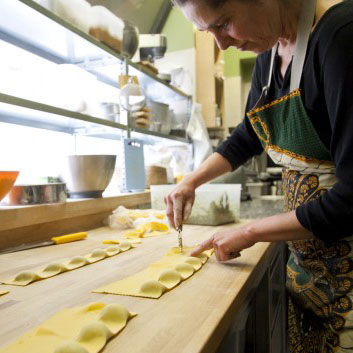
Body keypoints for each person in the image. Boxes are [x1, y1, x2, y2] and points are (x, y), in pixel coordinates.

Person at [164, 0, 353, 351]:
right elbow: (249, 135)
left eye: (223, 24)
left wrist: (251, 232)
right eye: (209, 32)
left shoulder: (341, 39)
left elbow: (352, 200)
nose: (221, 45)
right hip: (312, 272)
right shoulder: (269, 55)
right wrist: (190, 181)